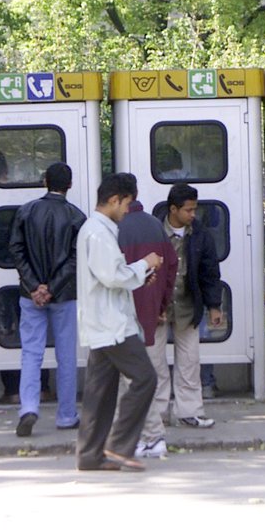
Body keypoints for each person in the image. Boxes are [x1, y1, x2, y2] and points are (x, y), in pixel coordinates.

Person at [75, 173, 163, 471]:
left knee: (99, 394)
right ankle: (119, 445)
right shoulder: (99, 232)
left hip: (104, 323)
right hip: (112, 325)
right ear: (114, 200)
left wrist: (137, 275)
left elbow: (113, 273)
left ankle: (90, 455)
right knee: (145, 378)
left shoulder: (98, 229)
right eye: (127, 203)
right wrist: (145, 264)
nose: (128, 210)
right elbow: (112, 275)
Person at [7, 162, 87, 436]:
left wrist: (34, 286)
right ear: (70, 185)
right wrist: (52, 287)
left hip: (30, 296)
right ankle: (66, 415)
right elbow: (77, 259)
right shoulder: (77, 217)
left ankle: (29, 407)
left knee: (31, 353)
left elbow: (16, 250)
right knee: (66, 355)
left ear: (44, 181)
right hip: (64, 295)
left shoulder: (26, 211)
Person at [156, 183, 222, 429]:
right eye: (188, 210)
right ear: (173, 209)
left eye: (194, 209)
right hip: (158, 306)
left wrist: (214, 305)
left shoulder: (200, 234)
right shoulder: (155, 230)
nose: (193, 215)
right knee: (155, 361)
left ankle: (189, 410)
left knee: (189, 360)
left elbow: (210, 271)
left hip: (187, 303)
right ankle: (158, 411)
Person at [118, 199, 178, 458]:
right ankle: (138, 436)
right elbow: (171, 266)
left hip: (121, 316)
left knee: (132, 379)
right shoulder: (155, 226)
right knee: (142, 375)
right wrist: (162, 304)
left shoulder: (113, 228)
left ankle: (151, 435)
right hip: (150, 313)